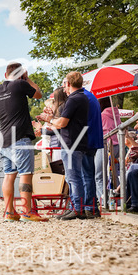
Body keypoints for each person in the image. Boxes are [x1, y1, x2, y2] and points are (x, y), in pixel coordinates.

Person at [0, 62, 44, 222]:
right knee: (25, 174)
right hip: (20, 138)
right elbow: (38, 94)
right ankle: (27, 211)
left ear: (5, 75)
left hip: (4, 139)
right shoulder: (21, 84)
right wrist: (27, 79)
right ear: (21, 75)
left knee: (9, 176)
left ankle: (9, 212)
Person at [46, 72, 90, 220]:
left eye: (64, 84)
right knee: (74, 177)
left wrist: (50, 119)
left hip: (71, 143)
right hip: (77, 142)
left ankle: (77, 208)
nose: (63, 88)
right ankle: (73, 207)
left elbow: (62, 123)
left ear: (69, 84)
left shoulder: (74, 99)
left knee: (73, 178)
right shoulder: (82, 97)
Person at [80, 86, 104, 217]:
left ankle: (90, 207)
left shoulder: (83, 97)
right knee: (88, 174)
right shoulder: (90, 97)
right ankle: (90, 206)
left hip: (86, 141)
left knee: (87, 175)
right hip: (92, 140)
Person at [97, 98, 121, 202]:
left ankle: (104, 201)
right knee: (114, 175)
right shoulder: (116, 115)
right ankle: (118, 200)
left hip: (105, 146)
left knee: (99, 176)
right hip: (116, 146)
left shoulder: (102, 116)